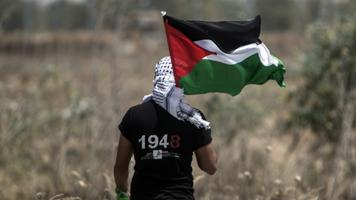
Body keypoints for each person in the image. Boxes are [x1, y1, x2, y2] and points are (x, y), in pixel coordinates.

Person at [114, 57, 218, 200]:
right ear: (182, 80)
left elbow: (120, 166)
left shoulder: (134, 116)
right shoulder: (192, 118)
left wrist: (122, 194)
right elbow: (210, 167)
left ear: (157, 77)